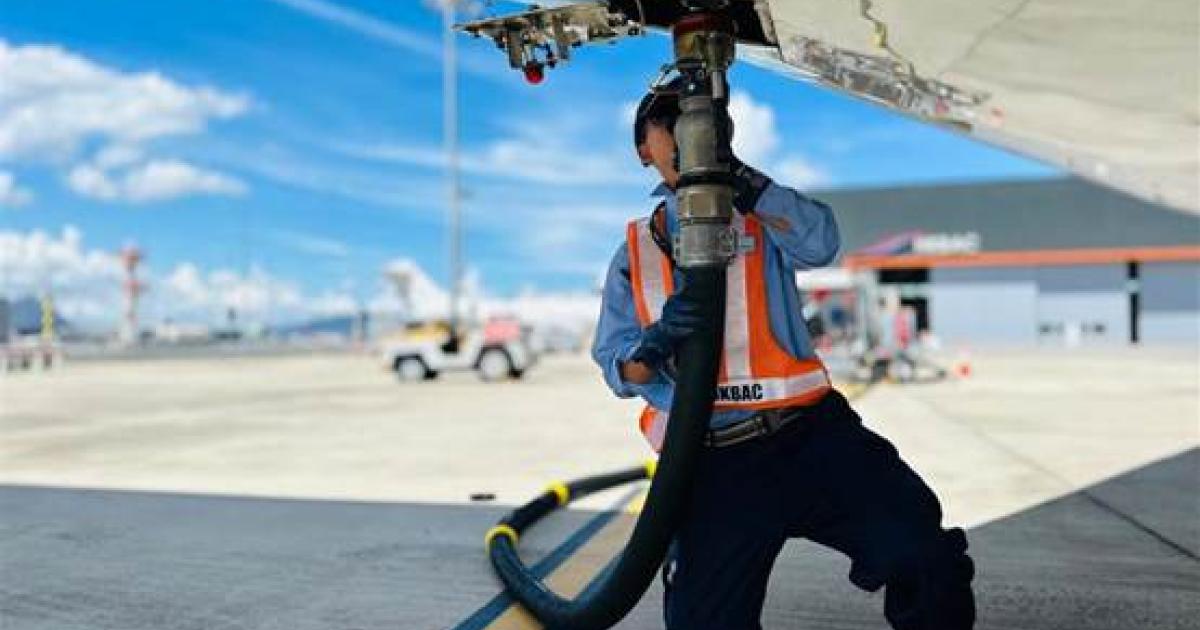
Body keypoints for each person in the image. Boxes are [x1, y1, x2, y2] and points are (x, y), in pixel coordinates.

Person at [591, 79, 976, 630]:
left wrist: (744, 181)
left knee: (925, 555)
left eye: (691, 117)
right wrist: (654, 347)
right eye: (665, 118)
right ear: (643, 149)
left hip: (811, 439)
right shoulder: (635, 251)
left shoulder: (759, 214)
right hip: (712, 462)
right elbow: (616, 368)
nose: (680, 127)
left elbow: (821, 243)